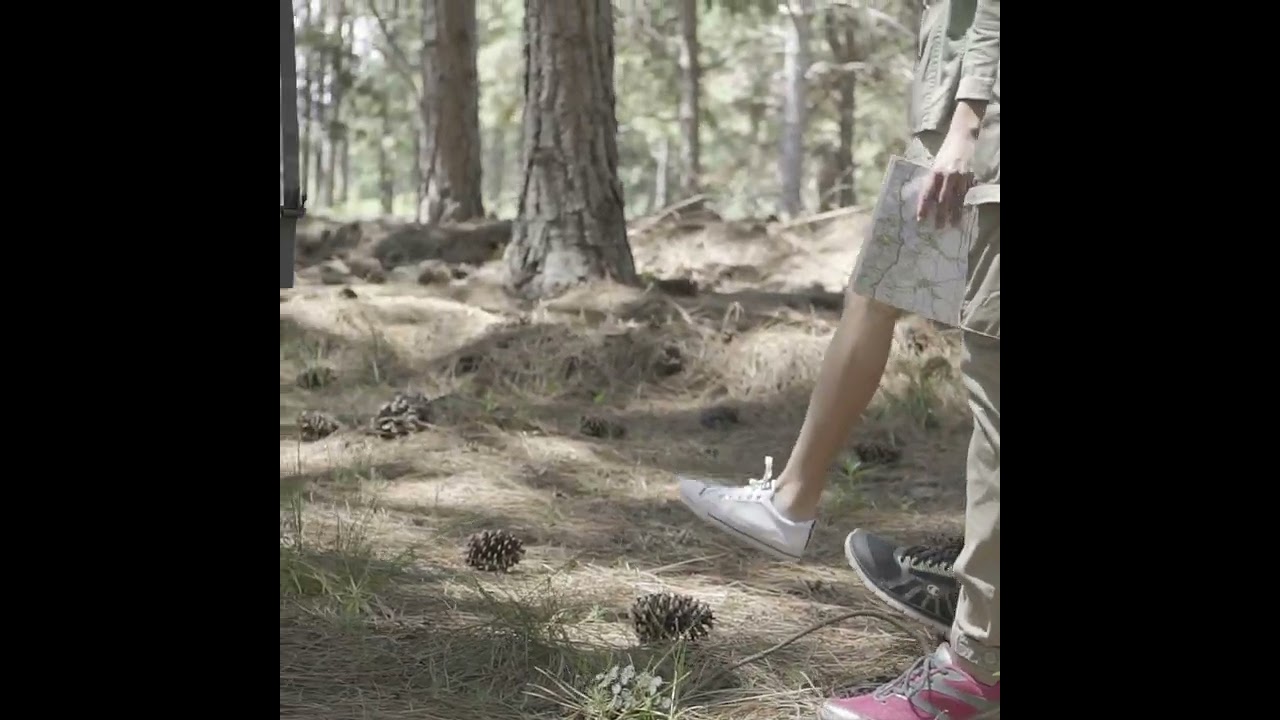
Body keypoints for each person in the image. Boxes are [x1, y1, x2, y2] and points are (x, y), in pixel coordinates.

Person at [680, 0, 1002, 714]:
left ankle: (977, 666)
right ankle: (794, 498)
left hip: (975, 129)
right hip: (954, 118)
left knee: (996, 388)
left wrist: (968, 122)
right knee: (878, 285)